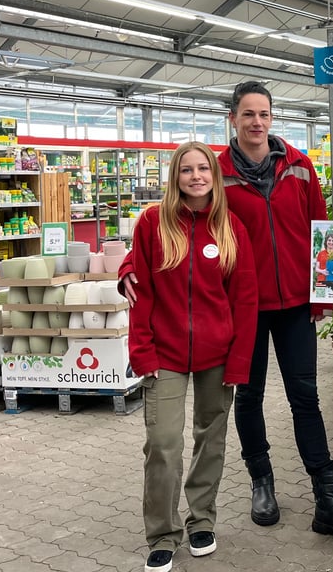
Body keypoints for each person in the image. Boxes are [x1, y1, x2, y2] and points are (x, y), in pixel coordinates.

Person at [122, 81, 333, 546]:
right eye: (248, 114)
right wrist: (128, 266)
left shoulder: (299, 167)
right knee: (249, 396)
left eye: (264, 113)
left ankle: (327, 496)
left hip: (296, 304)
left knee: (305, 398)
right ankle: (262, 484)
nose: (257, 122)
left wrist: (324, 294)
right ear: (233, 119)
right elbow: (178, 223)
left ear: (272, 118)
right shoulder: (214, 172)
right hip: (243, 308)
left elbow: (323, 229)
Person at [125, 141, 258, 572]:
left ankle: (202, 519)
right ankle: (162, 533)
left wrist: (239, 360)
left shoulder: (231, 227)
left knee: (211, 440)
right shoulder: (152, 223)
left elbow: (245, 299)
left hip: (218, 354)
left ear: (214, 176)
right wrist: (141, 352)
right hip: (163, 353)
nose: (196, 176)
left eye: (203, 169)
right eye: (187, 170)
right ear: (175, 177)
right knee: (163, 444)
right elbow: (140, 292)